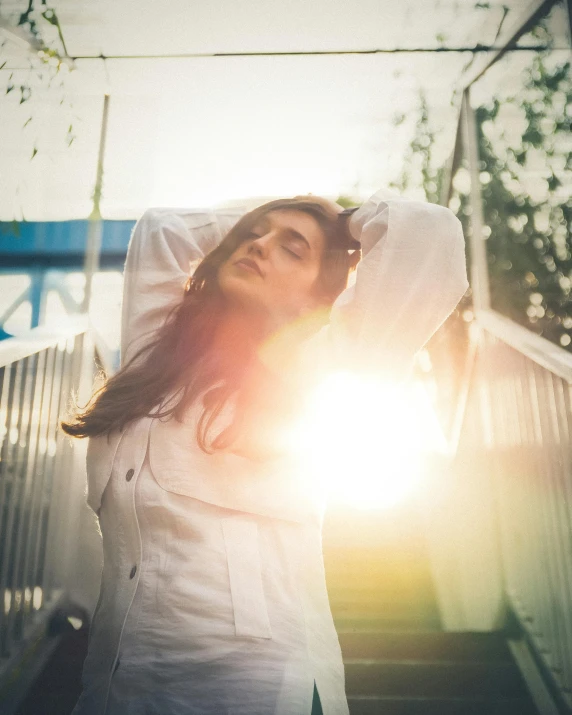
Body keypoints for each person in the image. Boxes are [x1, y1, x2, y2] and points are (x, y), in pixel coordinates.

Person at [61, 187, 469, 715]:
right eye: (250, 238)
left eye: (290, 249)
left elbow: (428, 236)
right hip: (117, 683)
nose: (257, 246)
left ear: (314, 295)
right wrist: (273, 221)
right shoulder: (155, 354)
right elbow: (162, 228)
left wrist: (335, 223)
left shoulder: (320, 365)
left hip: (253, 686)